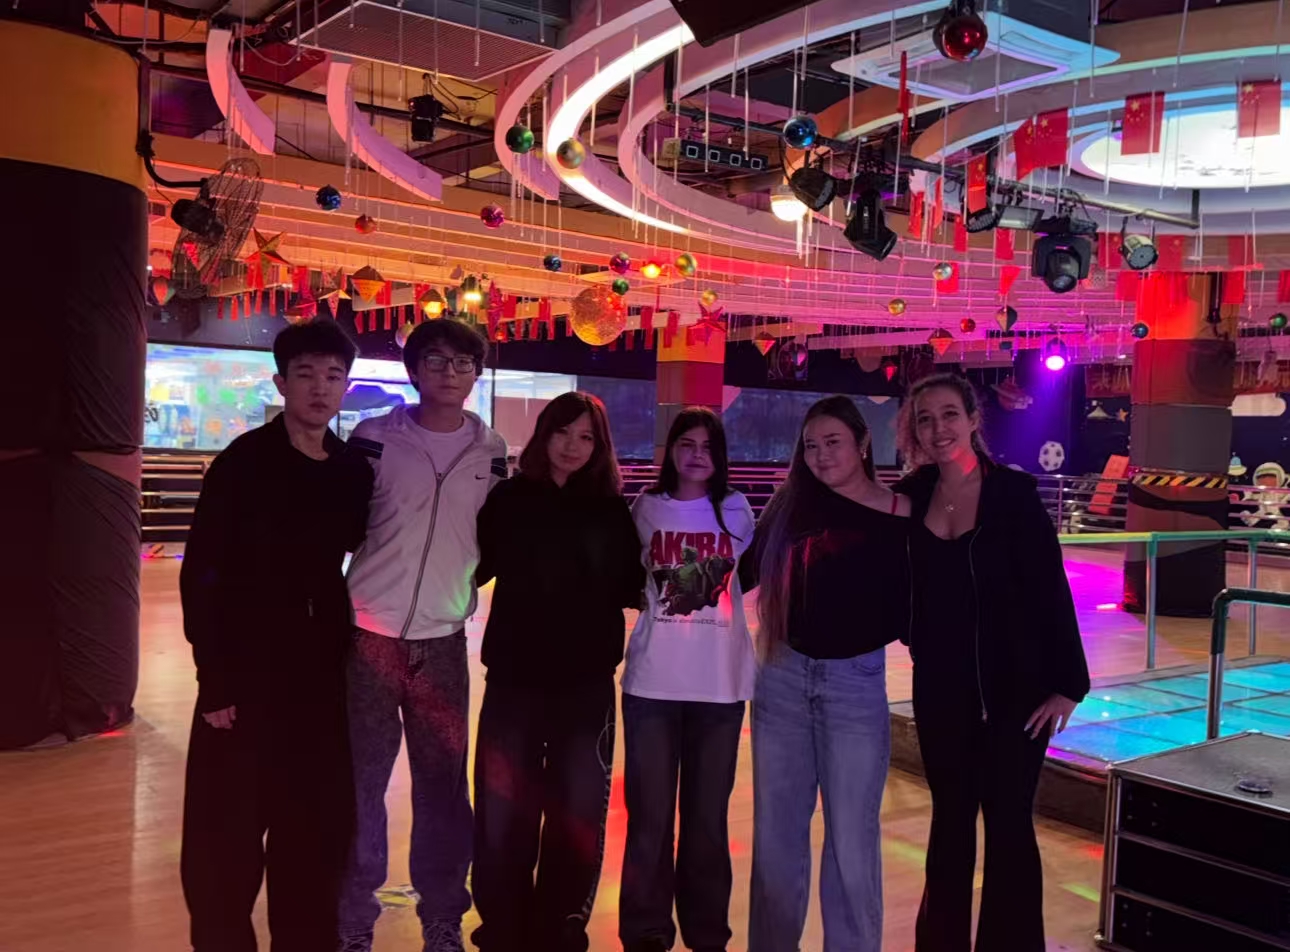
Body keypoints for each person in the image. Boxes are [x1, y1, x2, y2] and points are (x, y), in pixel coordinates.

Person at [180, 320, 373, 952]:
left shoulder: (351, 469)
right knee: (225, 843)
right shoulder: (244, 463)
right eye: (306, 375)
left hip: (320, 677)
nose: (321, 388)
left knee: (313, 837)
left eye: (333, 376)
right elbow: (203, 572)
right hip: (245, 676)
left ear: (345, 387)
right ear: (281, 383)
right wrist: (215, 682)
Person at [893, 373, 1090, 952]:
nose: (938, 428)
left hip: (1017, 693)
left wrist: (1069, 683)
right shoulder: (911, 496)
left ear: (974, 420)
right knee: (950, 824)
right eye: (925, 418)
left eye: (949, 414)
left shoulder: (1013, 494)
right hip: (941, 691)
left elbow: (1050, 588)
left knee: (1008, 827)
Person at [337, 320, 506, 952]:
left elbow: (491, 537)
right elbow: (344, 522)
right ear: (413, 371)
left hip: (442, 644)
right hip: (367, 639)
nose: (450, 373)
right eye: (436, 360)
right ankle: (353, 920)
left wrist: (456, 589)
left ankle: (442, 916)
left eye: (463, 363)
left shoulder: (490, 450)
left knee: (442, 787)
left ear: (476, 374)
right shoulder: (374, 437)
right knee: (361, 785)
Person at [471, 392, 644, 952]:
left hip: (585, 683)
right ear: (544, 435)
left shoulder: (611, 510)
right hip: (515, 678)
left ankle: (562, 924)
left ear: (599, 447)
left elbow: (633, 584)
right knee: (503, 807)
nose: (572, 446)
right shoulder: (509, 499)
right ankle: (502, 925)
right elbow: (474, 565)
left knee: (577, 809)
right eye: (563, 433)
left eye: (586, 437)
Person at [739, 395, 910, 952]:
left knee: (852, 843)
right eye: (810, 445)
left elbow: (922, 604)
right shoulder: (790, 506)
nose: (820, 455)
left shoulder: (899, 513)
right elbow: (738, 573)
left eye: (833, 442)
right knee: (776, 838)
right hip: (782, 679)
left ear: (862, 443)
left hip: (854, 687)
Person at [619, 408, 756, 952]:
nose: (697, 455)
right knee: (649, 821)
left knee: (706, 822)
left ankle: (706, 935)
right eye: (686, 444)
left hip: (719, 687)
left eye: (707, 446)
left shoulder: (736, 509)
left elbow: (730, 580)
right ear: (671, 450)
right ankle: (646, 933)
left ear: (719, 455)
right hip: (653, 685)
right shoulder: (645, 508)